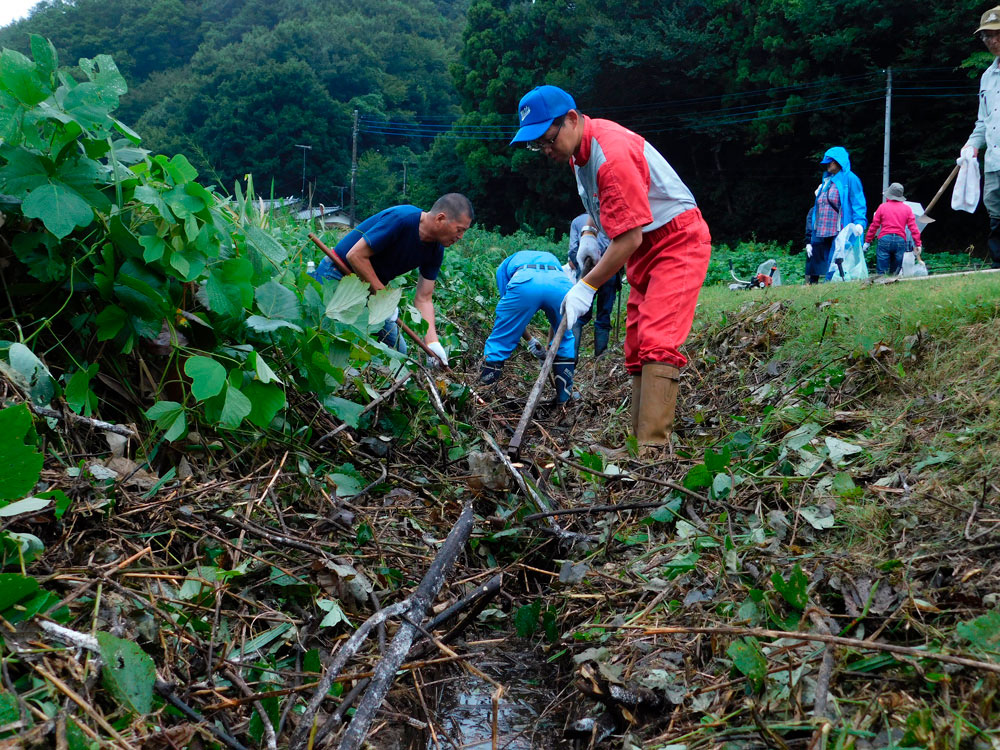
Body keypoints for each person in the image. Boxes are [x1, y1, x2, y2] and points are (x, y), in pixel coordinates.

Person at [510, 85, 712, 448]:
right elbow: (599, 203)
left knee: (658, 339)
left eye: (546, 140)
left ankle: (652, 451)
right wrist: (589, 230)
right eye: (536, 144)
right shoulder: (578, 155)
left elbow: (629, 237)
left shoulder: (612, 155)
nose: (544, 150)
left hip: (675, 241)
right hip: (642, 249)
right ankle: (637, 443)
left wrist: (586, 286)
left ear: (571, 120)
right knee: (635, 345)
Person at [312, 194, 473, 365]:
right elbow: (355, 255)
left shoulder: (436, 250)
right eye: (459, 229)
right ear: (441, 218)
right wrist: (385, 297)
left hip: (369, 289)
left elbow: (424, 298)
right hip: (338, 274)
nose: (460, 236)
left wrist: (432, 342)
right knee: (330, 339)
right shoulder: (402, 219)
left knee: (396, 351)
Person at [479, 250, 576, 403]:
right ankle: (564, 399)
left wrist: (529, 340)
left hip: (525, 282)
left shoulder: (503, 268)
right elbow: (556, 324)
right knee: (564, 337)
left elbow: (512, 322)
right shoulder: (554, 260)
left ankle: (485, 395)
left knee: (501, 340)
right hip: (558, 283)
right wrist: (542, 344)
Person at [965, 5, 1000, 268]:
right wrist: (972, 145)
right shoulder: (987, 77)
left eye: (997, 34)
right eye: (986, 35)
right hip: (993, 163)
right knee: (996, 217)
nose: (992, 40)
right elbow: (982, 121)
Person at [803, 147, 867, 284]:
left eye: (830, 162)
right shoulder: (827, 180)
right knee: (826, 260)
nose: (827, 165)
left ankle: (830, 284)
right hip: (822, 229)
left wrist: (859, 223)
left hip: (839, 229)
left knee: (836, 258)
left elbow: (858, 202)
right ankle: (831, 282)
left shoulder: (850, 179)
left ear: (839, 162)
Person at [567, 213, 618, 358]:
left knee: (579, 315)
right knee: (603, 316)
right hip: (609, 269)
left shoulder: (577, 221)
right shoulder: (610, 215)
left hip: (586, 272)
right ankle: (600, 360)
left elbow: (573, 253)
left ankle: (571, 357)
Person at [864, 182, 922, 275]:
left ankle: (881, 284)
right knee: (895, 271)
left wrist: (867, 241)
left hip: (884, 239)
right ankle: (893, 284)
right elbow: (914, 228)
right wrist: (918, 244)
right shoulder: (907, 209)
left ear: (889, 195)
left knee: (882, 271)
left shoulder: (882, 207)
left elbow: (874, 226)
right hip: (900, 240)